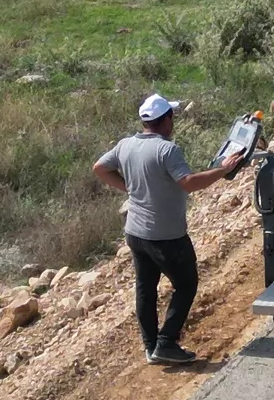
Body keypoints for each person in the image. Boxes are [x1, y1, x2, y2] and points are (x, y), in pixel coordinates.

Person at [93, 93, 250, 366]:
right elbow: (188, 182)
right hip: (165, 235)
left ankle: (151, 346)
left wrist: (129, 188)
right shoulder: (167, 150)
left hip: (136, 233)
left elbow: (100, 168)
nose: (173, 121)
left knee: (145, 288)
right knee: (186, 284)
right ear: (165, 120)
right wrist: (223, 170)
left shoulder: (125, 145)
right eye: (172, 117)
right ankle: (166, 343)